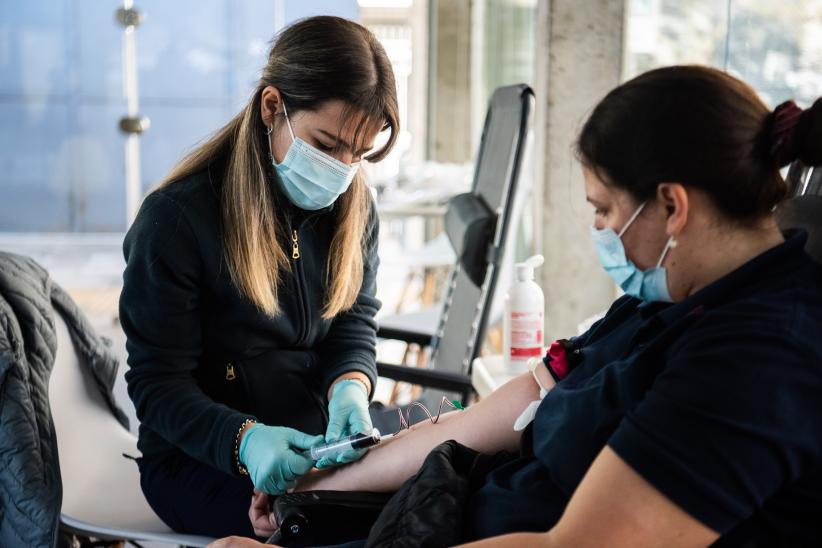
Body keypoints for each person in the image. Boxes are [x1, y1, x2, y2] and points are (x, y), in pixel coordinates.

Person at [213, 65, 822, 547]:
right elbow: (522, 399)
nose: (600, 230)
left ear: (672, 207)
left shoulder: (756, 363)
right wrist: (318, 484)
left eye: (604, 209)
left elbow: (574, 546)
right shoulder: (671, 301)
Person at [119, 15, 399, 539]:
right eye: (329, 143)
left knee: (428, 497)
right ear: (274, 107)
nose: (342, 172)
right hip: (198, 461)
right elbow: (157, 386)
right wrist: (244, 439)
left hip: (316, 446)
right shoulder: (175, 221)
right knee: (347, 530)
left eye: (359, 155)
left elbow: (353, 325)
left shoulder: (356, 208)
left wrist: (351, 389)